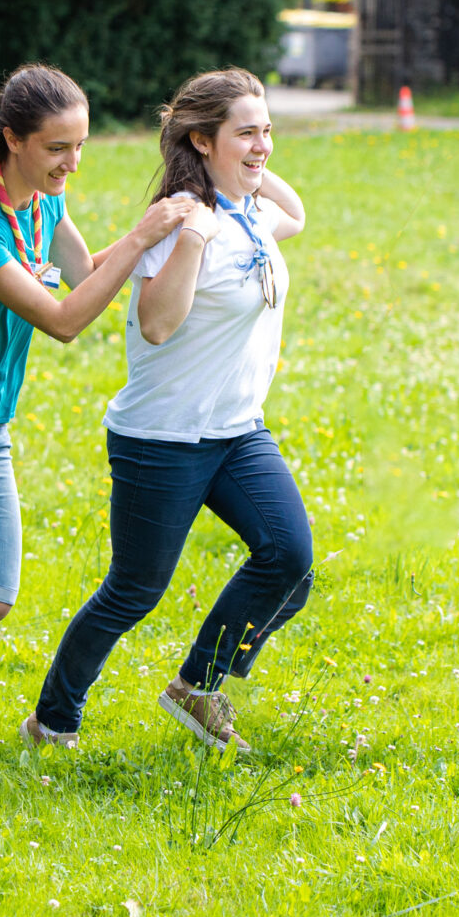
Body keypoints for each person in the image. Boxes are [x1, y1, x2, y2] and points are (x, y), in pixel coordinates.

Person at [24, 67, 311, 754]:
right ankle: (53, 719)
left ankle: (196, 686)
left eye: (268, 130)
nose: (264, 144)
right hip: (163, 439)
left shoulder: (252, 210)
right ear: (201, 138)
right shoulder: (175, 225)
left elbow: (295, 213)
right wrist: (193, 227)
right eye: (247, 132)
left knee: (288, 559)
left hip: (237, 430)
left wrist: (244, 165)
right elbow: (156, 324)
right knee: (134, 590)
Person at [0, 66, 201, 640]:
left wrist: (167, 230)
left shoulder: (45, 203)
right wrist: (142, 236)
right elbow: (65, 321)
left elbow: (84, 275)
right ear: (13, 140)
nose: (73, 163)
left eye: (80, 146)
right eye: (58, 148)